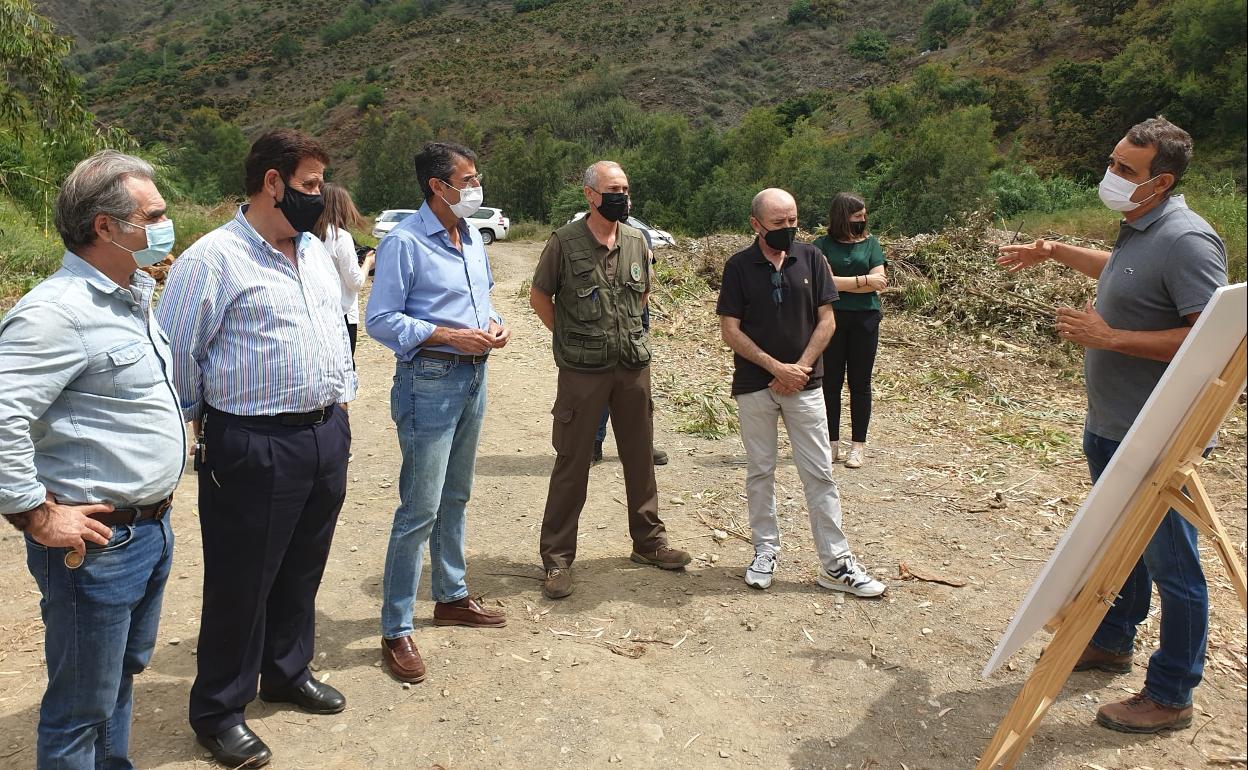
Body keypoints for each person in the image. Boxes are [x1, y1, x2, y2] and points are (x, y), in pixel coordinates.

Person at [997, 116, 1227, 734]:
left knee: (1172, 565)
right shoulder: (1140, 225)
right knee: (1117, 544)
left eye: (1127, 169)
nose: (1113, 175)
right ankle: (1114, 638)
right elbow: (1124, 274)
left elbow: (1217, 339)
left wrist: (1112, 337)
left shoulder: (1187, 240)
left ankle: (1172, 693)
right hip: (1112, 423)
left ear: (1161, 182)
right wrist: (1052, 251)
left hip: (1157, 434)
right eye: (1113, 162)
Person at [157, 129, 356, 768]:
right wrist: (201, 429)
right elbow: (175, 357)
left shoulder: (315, 252)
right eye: (309, 184)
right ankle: (219, 711)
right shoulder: (211, 260)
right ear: (272, 182)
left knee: (302, 566)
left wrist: (340, 405)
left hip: (323, 433)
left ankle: (287, 672)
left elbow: (333, 330)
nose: (319, 195)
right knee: (241, 582)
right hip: (253, 442)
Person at [0, 150, 183, 768]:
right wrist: (35, 513)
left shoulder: (131, 297)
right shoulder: (55, 313)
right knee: (80, 707)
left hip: (148, 530)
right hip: (98, 546)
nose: (165, 225)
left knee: (118, 680)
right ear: (106, 226)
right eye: (153, 216)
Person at [365, 142, 509, 684]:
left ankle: (451, 596)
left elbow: (481, 300)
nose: (476, 188)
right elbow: (381, 319)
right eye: (467, 180)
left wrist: (492, 325)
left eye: (475, 178)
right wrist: (447, 335)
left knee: (456, 495)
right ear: (437, 186)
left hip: (474, 377)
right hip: (429, 380)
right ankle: (396, 627)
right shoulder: (404, 243)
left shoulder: (469, 236)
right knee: (419, 508)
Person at [529, 160, 692, 600]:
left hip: (633, 365)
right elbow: (540, 296)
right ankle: (557, 558)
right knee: (573, 460)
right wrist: (571, 338)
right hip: (582, 371)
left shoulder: (637, 241)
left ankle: (649, 542)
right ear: (590, 194)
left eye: (625, 189)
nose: (622, 196)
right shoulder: (564, 242)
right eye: (613, 190)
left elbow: (643, 293)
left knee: (639, 456)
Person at [716, 188, 885, 597]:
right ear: (755, 224)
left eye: (793, 220)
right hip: (755, 385)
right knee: (761, 471)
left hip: (805, 385)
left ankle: (836, 564)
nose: (788, 228)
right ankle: (765, 551)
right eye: (778, 222)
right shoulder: (738, 267)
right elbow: (730, 329)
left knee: (819, 473)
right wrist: (776, 368)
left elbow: (827, 321)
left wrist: (800, 369)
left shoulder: (812, 258)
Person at [812, 192, 887, 469]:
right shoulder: (821, 246)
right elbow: (824, 283)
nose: (862, 220)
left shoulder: (872, 244)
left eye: (864, 215)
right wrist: (864, 280)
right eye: (857, 216)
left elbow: (880, 281)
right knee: (830, 383)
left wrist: (843, 282)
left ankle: (857, 446)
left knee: (860, 383)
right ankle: (831, 443)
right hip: (830, 319)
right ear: (843, 217)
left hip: (865, 320)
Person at [594, 227, 668, 467]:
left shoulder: (640, 236)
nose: (624, 207)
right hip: (601, 327)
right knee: (601, 388)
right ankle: (593, 443)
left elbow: (647, 278)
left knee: (637, 391)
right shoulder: (591, 234)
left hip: (635, 327)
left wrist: (635, 317)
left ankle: (641, 444)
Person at [314, 183, 375, 366]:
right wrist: (368, 262)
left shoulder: (308, 234)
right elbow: (355, 282)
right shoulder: (340, 237)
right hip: (343, 314)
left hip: (316, 313)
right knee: (345, 367)